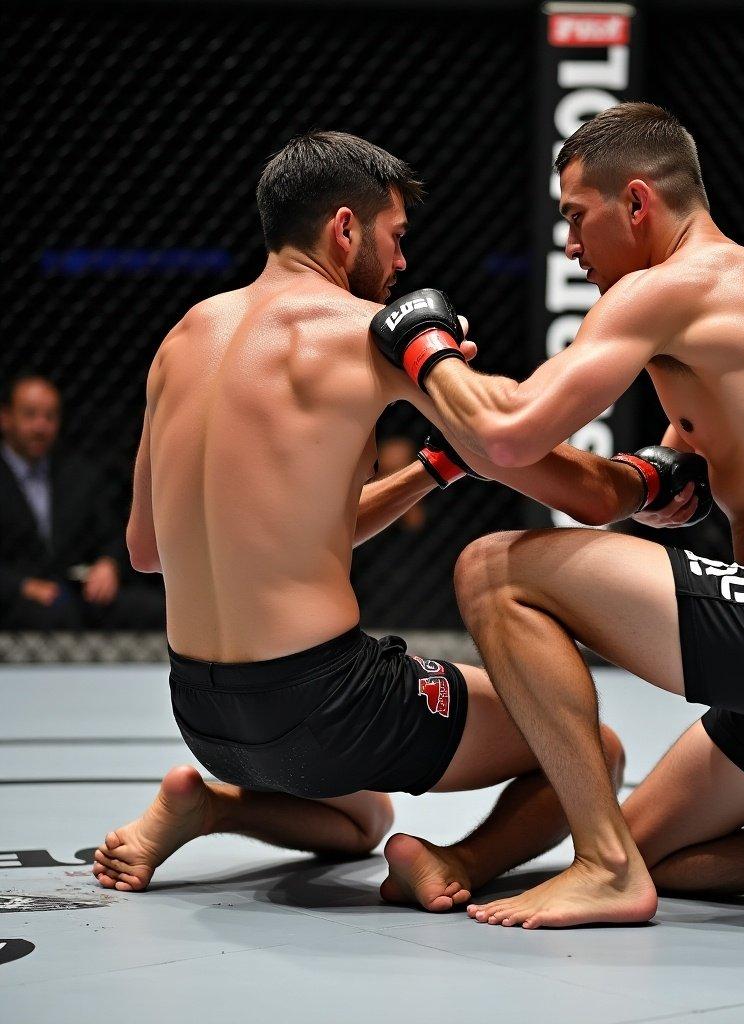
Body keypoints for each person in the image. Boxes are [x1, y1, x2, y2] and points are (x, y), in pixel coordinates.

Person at [370, 103, 744, 927]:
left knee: (494, 569)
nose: (571, 246)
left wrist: (424, 355)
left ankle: (605, 871)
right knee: (657, 845)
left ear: (638, 204)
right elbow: (598, 494)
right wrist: (648, 482)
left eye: (577, 218)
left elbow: (511, 437)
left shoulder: (668, 291)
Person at [91, 131, 699, 909]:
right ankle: (456, 860)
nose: (403, 263)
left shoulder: (181, 340)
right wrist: (648, 479)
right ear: (345, 229)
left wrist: (433, 467)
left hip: (203, 714)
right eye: (396, 236)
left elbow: (148, 550)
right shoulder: (367, 333)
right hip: (331, 705)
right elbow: (506, 434)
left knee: (362, 816)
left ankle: (206, 804)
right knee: (589, 751)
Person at [0, 373, 165, 631]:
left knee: (156, 609)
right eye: (30, 415)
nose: (41, 426)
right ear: (6, 418)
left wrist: (108, 565)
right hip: (17, 597)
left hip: (79, 592)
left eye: (49, 416)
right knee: (53, 615)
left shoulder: (76, 474)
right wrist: (23, 586)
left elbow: (111, 532)